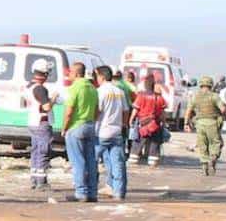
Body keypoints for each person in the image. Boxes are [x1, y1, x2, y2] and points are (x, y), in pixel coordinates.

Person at [60, 62, 100, 202]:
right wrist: (91, 120)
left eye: (70, 72)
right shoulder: (93, 88)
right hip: (90, 125)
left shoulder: (74, 88)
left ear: (76, 73)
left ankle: (81, 192)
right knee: (91, 161)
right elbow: (97, 110)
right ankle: (92, 192)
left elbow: (69, 111)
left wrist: (64, 127)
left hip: (76, 127)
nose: (68, 74)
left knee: (78, 161)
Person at [94, 65, 129, 200]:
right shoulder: (119, 91)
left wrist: (93, 121)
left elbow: (98, 110)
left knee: (93, 161)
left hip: (101, 131)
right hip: (116, 131)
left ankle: (90, 188)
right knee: (118, 163)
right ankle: (119, 192)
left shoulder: (100, 91)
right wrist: (124, 124)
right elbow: (126, 110)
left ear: (101, 76)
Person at [24, 60, 58, 189]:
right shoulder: (40, 89)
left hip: (32, 122)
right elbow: (47, 107)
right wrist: (54, 98)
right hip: (42, 122)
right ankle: (41, 181)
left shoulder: (29, 86)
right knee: (44, 150)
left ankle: (34, 178)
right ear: (45, 74)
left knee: (35, 150)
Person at [185, 76, 226, 176]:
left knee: (202, 145)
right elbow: (223, 109)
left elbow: (188, 111)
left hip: (199, 124)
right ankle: (213, 158)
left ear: (201, 85)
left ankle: (204, 166)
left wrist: (186, 123)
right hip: (212, 123)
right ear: (210, 84)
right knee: (216, 143)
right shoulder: (214, 96)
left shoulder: (195, 96)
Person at [130, 74, 167, 166]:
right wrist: (164, 123)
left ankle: (134, 160)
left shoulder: (141, 96)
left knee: (138, 143)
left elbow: (135, 110)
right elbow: (163, 114)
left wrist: (130, 120)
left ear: (145, 84)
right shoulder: (160, 98)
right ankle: (152, 162)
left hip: (143, 124)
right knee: (154, 145)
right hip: (155, 125)